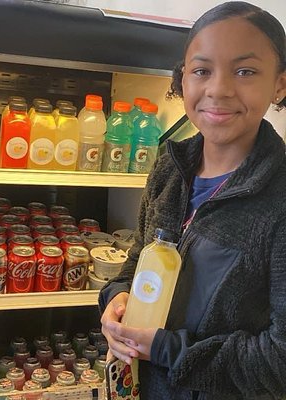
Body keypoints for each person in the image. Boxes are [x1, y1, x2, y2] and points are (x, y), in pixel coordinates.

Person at [99, 2, 286, 399]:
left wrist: (167, 350)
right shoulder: (171, 167)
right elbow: (138, 261)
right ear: (182, 78)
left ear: (280, 84)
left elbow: (280, 360)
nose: (218, 89)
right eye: (202, 71)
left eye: (245, 71)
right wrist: (117, 298)